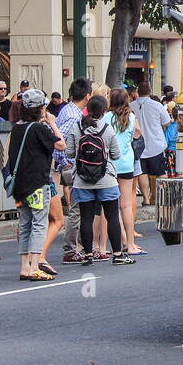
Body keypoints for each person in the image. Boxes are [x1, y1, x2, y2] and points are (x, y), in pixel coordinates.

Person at [64, 95, 133, 266]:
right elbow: (116, 155)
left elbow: (69, 153)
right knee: (112, 217)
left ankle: (87, 255)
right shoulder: (107, 129)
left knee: (86, 218)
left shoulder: (76, 127)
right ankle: (117, 255)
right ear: (104, 111)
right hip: (106, 179)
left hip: (81, 179)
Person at [7, 89, 65, 282]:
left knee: (24, 224)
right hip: (37, 184)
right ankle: (34, 267)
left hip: (19, 186)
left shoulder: (17, 128)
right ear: (40, 108)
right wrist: (52, 123)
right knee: (39, 224)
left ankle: (24, 266)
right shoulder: (39, 129)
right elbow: (60, 145)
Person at [105, 87, 144, 257]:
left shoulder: (107, 117)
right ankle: (131, 243)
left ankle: (118, 240)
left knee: (112, 205)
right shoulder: (132, 117)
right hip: (127, 163)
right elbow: (137, 135)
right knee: (126, 204)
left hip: (110, 164)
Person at [55, 78, 91, 263]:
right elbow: (59, 141)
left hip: (72, 164)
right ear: (87, 96)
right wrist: (66, 162)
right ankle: (71, 249)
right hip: (73, 166)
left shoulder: (68, 110)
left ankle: (79, 247)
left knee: (80, 207)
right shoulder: (73, 116)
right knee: (76, 209)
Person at [131, 79, 171, 209]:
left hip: (138, 145)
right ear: (149, 91)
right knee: (160, 171)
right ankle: (164, 197)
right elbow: (166, 122)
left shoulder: (131, 106)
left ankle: (146, 199)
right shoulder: (157, 105)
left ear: (138, 92)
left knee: (142, 172)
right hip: (156, 144)